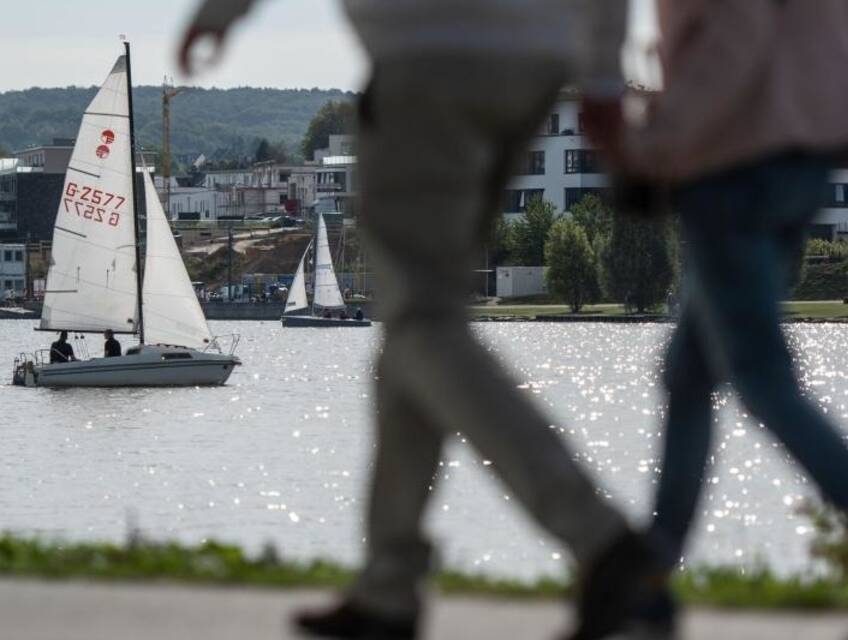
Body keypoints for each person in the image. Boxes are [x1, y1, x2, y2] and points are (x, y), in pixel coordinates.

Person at [180, 2, 663, 639]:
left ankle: (600, 540)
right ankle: (389, 586)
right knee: (415, 326)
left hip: (430, 58)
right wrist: (602, 75)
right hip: (537, 66)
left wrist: (220, 12)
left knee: (422, 325)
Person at [586, 1, 848, 637]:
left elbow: (737, 38)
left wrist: (649, 145)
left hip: (733, 165)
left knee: (763, 378)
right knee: (690, 376)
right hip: (806, 158)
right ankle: (650, 585)